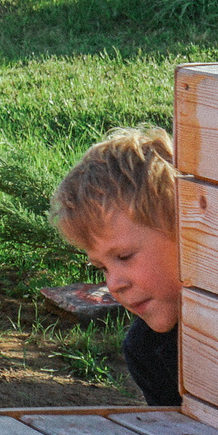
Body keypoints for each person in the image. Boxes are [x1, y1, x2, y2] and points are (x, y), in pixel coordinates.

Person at [53, 128, 186, 406]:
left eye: (124, 257)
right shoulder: (147, 349)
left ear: (186, 232)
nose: (114, 284)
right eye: (102, 267)